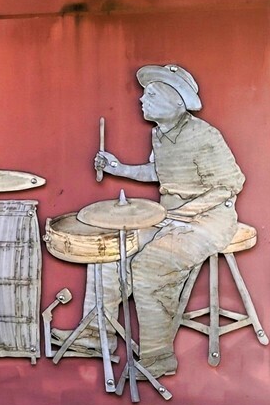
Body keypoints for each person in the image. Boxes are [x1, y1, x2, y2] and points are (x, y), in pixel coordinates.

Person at [56, 64, 244, 377]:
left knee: (151, 265)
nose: (142, 99)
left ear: (177, 103)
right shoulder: (160, 133)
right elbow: (158, 172)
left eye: (152, 94)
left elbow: (230, 185)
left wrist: (184, 214)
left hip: (208, 221)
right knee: (109, 252)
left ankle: (159, 358)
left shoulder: (204, 136)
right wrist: (119, 168)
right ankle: (92, 335)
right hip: (170, 218)